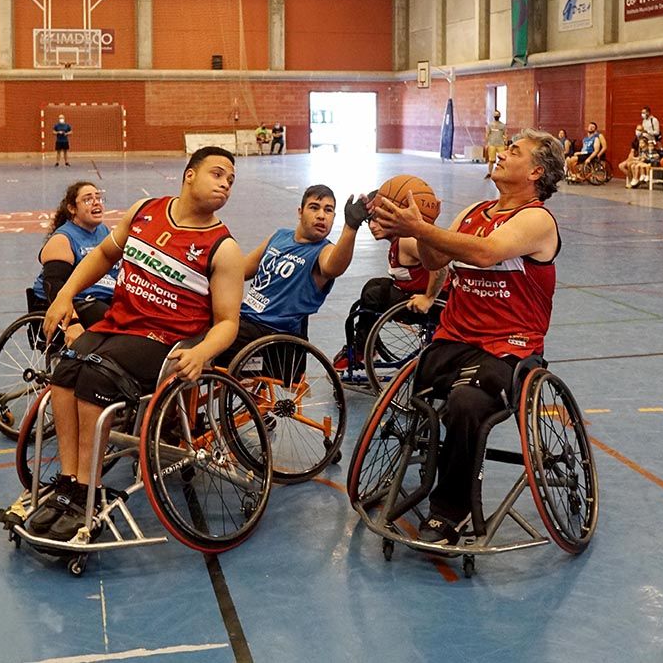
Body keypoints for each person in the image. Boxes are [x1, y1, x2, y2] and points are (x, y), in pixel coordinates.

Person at [23, 147, 243, 542]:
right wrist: (65, 295)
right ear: (189, 175)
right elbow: (106, 254)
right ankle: (70, 483)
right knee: (65, 371)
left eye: (230, 179)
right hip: (118, 324)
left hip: (165, 340)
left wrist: (202, 352)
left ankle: (89, 488)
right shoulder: (145, 210)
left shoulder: (222, 247)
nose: (225, 183)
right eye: (217, 173)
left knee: (94, 377)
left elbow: (228, 322)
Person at [367, 129, 565, 547]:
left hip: (509, 348)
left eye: (514, 151)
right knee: (413, 384)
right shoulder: (476, 210)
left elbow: (484, 253)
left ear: (536, 171)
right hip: (454, 338)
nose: (502, 153)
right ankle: (411, 474)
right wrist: (416, 232)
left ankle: (449, 512)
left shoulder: (536, 219)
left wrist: (418, 227)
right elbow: (437, 258)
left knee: (465, 404)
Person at [220, 184, 365, 362]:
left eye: (328, 210)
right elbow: (238, 271)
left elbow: (334, 267)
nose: (321, 215)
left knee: (204, 346)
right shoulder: (279, 236)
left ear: (334, 218)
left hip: (273, 338)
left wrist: (350, 228)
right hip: (246, 322)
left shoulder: (323, 251)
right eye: (314, 207)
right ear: (300, 212)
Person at [334, 198, 448, 370]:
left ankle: (362, 350)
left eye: (377, 219)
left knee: (373, 296)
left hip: (437, 303)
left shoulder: (407, 242)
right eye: (369, 220)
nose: (372, 225)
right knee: (372, 286)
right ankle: (366, 347)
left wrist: (429, 297)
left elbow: (441, 265)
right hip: (415, 292)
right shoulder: (399, 241)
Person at [31, 182, 119, 336]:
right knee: (114, 324)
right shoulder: (63, 239)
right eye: (87, 199)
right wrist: (71, 322)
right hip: (78, 302)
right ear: (72, 209)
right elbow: (53, 285)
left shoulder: (103, 231)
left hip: (103, 297)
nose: (96, 202)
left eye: (98, 198)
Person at [485, 111, 506, 179]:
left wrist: (505, 143)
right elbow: (487, 134)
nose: (496, 116)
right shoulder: (490, 125)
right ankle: (489, 173)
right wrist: (487, 143)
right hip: (492, 144)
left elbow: (505, 134)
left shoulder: (502, 125)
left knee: (502, 160)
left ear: (499, 116)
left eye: (497, 115)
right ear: (493, 116)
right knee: (491, 160)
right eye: (495, 115)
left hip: (500, 144)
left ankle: (503, 174)